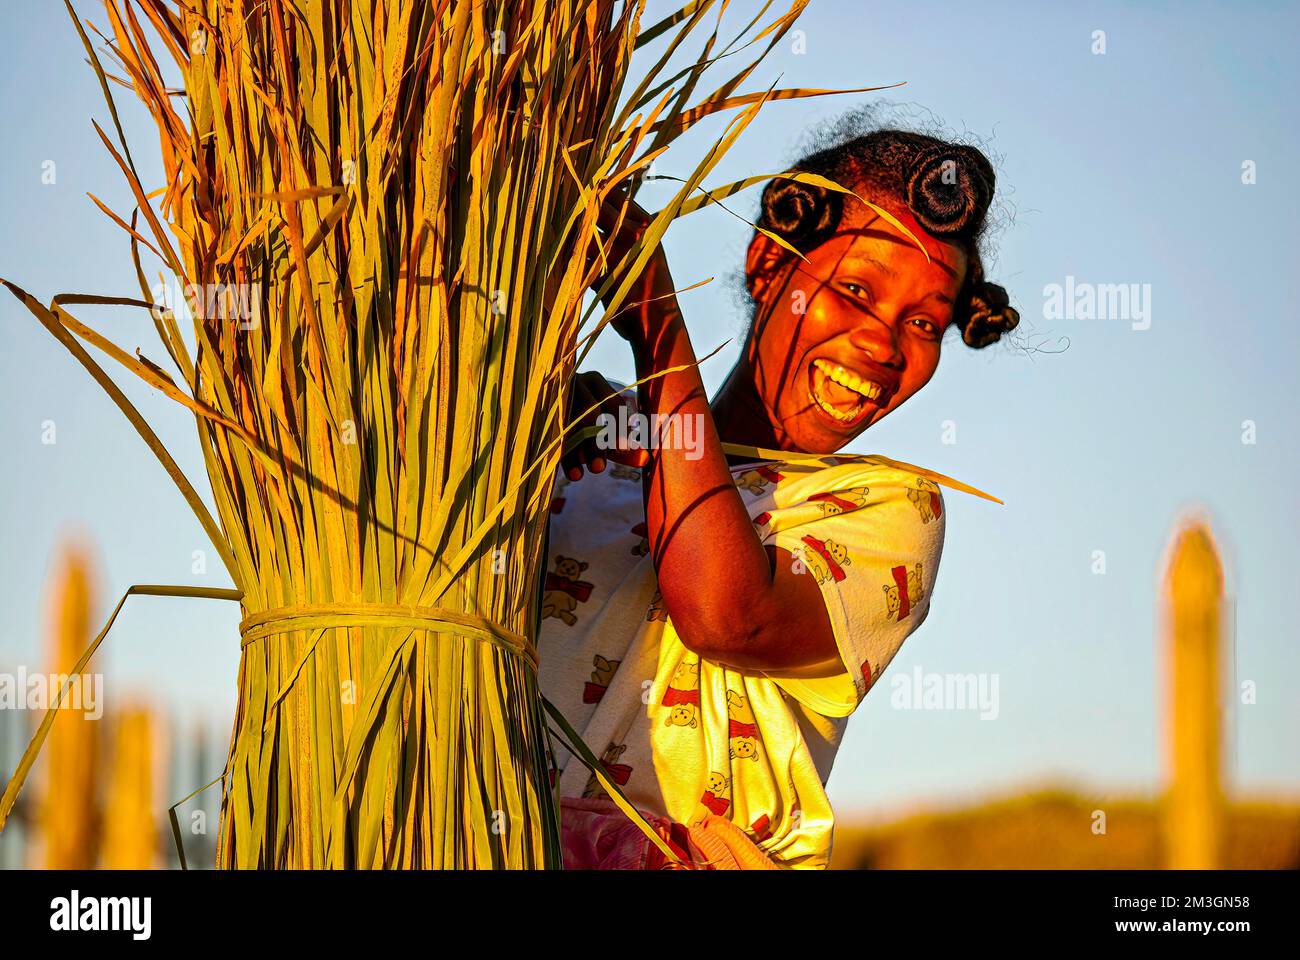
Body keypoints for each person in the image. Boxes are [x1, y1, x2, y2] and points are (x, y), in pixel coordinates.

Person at [539, 124, 1020, 868]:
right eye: (854, 291)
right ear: (769, 264)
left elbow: (726, 617)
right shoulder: (591, 435)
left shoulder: (887, 511)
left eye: (924, 322)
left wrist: (658, 326)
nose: (883, 344)